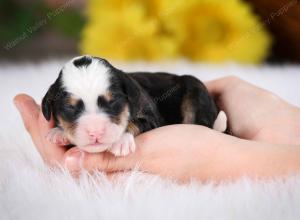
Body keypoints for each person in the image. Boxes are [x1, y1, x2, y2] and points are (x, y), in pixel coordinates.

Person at [14, 76, 300, 183]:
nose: (95, 129)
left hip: (187, 96)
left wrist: (223, 153)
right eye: (72, 111)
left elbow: (140, 119)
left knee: (192, 91)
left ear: (127, 98)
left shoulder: (134, 97)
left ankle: (213, 130)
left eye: (110, 107)